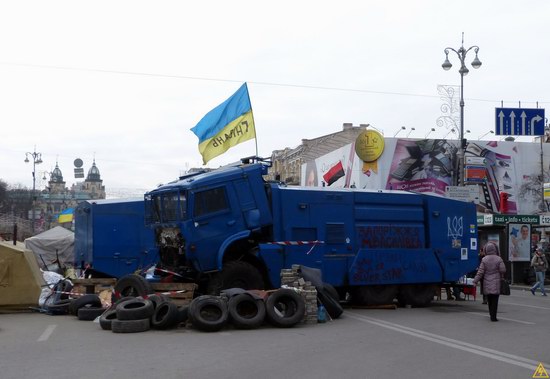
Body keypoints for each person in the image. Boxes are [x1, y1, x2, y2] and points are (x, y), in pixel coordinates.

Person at [472, 242, 506, 322]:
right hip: (496, 281)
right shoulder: (499, 259)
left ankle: (491, 314)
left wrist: (475, 281)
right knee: (495, 300)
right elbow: (503, 270)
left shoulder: (484, 259)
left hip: (486, 282)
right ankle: (494, 316)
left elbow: (480, 272)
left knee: (489, 299)